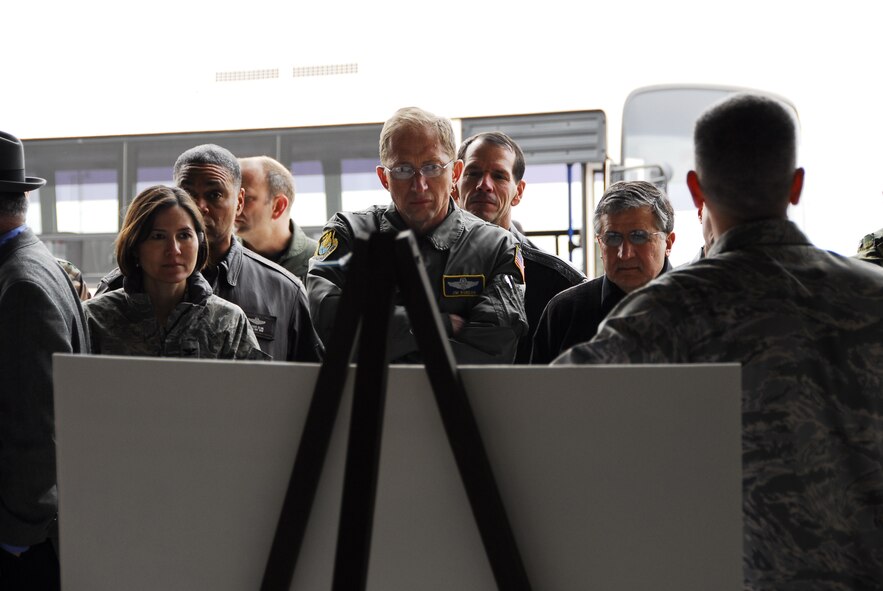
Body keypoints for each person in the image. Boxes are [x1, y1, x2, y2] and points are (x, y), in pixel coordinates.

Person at [555, 94, 883, 587]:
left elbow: (543, 419)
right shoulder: (871, 296)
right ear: (796, 185)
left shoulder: (662, 312)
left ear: (695, 191)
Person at [307, 107, 527, 363]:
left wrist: (386, 339)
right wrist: (434, 324)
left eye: (432, 167)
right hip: (367, 402)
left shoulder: (497, 247)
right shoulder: (349, 234)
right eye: (402, 169)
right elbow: (327, 320)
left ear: (455, 173)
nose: (419, 184)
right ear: (384, 178)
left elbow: (494, 349)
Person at [96, 145, 322, 362]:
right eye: (188, 193)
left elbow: (308, 381)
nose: (200, 205)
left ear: (239, 201)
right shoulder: (119, 288)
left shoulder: (282, 291)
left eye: (214, 195)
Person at [0, 130, 88, 590]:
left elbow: (37, 427)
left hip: (24, 543)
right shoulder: (34, 264)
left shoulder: (21, 286)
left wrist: (15, 539)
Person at [84, 186, 265, 358]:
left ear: (200, 242)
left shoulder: (229, 320)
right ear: (134, 246)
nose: (174, 250)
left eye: (184, 235)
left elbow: (253, 388)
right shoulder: (95, 318)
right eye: (158, 237)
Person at [455, 131, 584, 363]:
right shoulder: (424, 268)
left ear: (519, 192)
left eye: (499, 176)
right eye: (473, 173)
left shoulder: (561, 284)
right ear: (454, 184)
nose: (484, 185)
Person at [530, 180, 675, 364]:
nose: (625, 253)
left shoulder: (696, 305)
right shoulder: (564, 312)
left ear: (668, 243)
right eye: (612, 238)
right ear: (600, 243)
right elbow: (539, 390)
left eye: (638, 236)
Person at [235, 156, 318, 282]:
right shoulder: (217, 260)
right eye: (230, 196)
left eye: (246, 198)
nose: (234, 205)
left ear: (278, 206)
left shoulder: (321, 262)